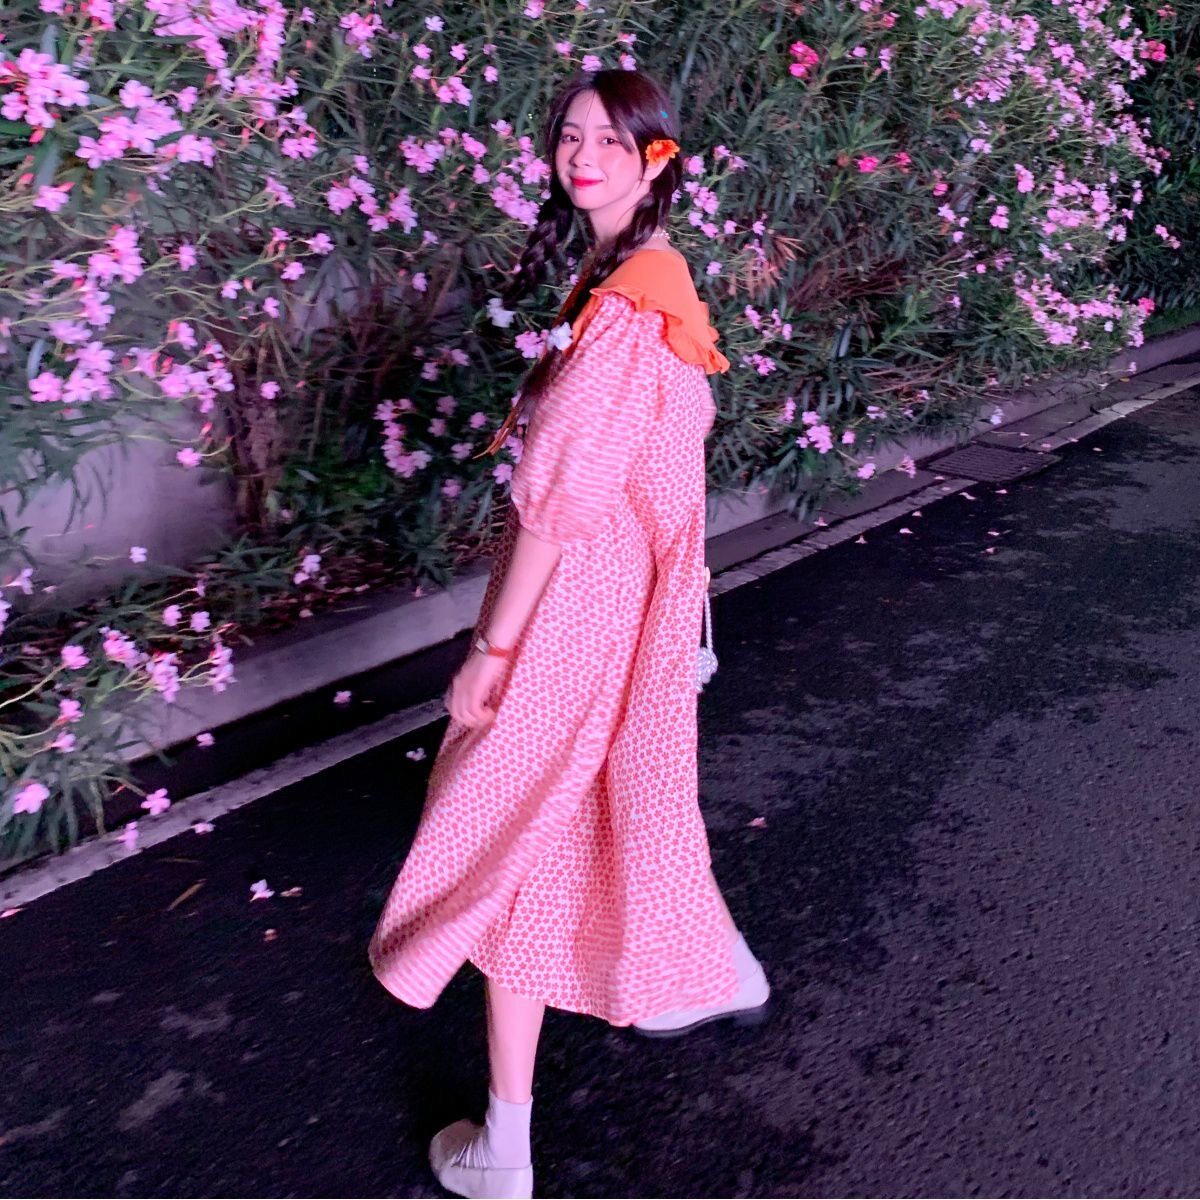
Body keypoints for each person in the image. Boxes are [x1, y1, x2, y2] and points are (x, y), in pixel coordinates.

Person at [368, 67, 770, 1200]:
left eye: (611, 140)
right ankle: (695, 974)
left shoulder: (633, 302)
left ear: (655, 160)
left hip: (574, 609)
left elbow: (560, 500)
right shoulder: (640, 282)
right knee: (564, 831)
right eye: (569, 137)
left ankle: (515, 1137)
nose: (582, 156)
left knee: (509, 835)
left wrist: (490, 652)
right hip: (616, 600)